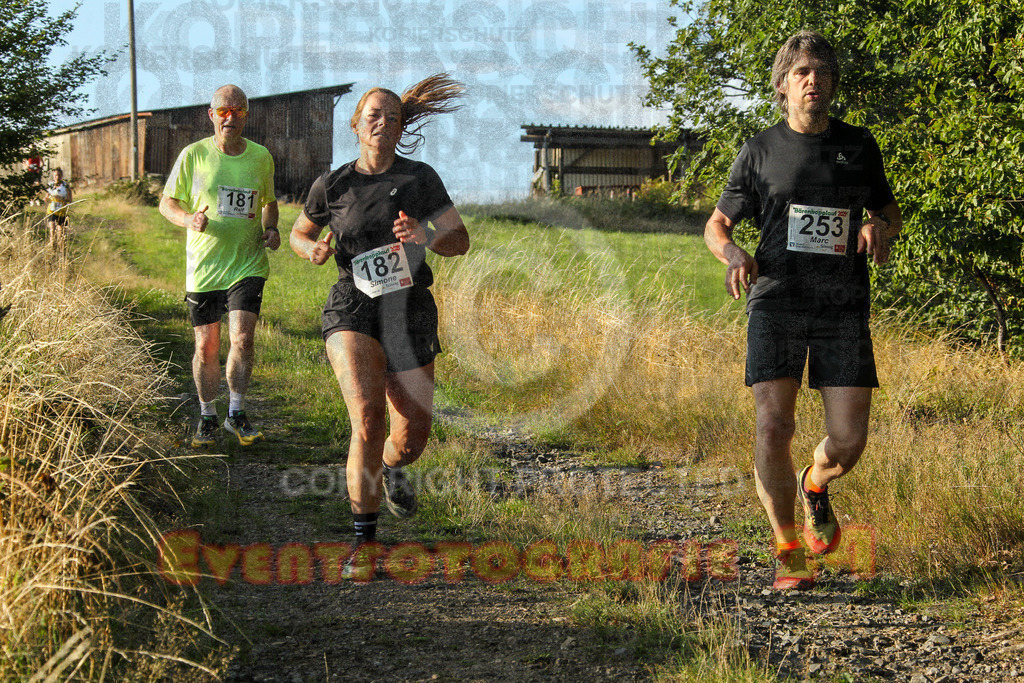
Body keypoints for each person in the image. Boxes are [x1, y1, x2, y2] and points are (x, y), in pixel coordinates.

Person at [703, 31, 902, 590]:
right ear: (783, 85)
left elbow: (891, 213)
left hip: (842, 306)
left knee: (848, 440)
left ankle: (815, 484)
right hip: (777, 300)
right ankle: (787, 548)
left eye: (822, 72)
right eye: (802, 73)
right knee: (774, 423)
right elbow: (716, 225)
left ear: (833, 84)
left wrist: (877, 226)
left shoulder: (859, 145)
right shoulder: (760, 149)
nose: (813, 81)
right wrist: (732, 250)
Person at [290, 74, 469, 577]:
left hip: (409, 308)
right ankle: (364, 548)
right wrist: (314, 249)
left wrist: (426, 234)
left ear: (401, 127)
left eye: (392, 117)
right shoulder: (334, 184)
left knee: (411, 436)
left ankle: (392, 468)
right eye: (373, 115)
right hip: (354, 304)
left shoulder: (421, 178)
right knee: (367, 417)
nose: (382, 123)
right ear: (356, 124)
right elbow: (299, 235)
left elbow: (460, 240)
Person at [159, 84, 280, 448]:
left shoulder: (261, 157)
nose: (230, 118)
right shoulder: (193, 155)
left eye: (237, 111)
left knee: (242, 338)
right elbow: (166, 203)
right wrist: (188, 220)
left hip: (247, 264)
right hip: (205, 267)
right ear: (211, 115)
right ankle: (208, 414)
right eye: (223, 111)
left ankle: (237, 413)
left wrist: (271, 228)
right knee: (206, 347)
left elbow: (269, 203)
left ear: (246, 115)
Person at [43, 167, 72, 252]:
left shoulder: (65, 186)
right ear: (53, 176)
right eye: (56, 175)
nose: (57, 177)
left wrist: (61, 199)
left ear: (62, 176)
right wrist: (47, 199)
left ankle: (61, 251)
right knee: (52, 230)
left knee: (61, 233)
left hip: (61, 211)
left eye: (59, 175)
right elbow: (46, 197)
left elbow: (70, 199)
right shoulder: (50, 185)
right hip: (51, 211)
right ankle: (52, 249)